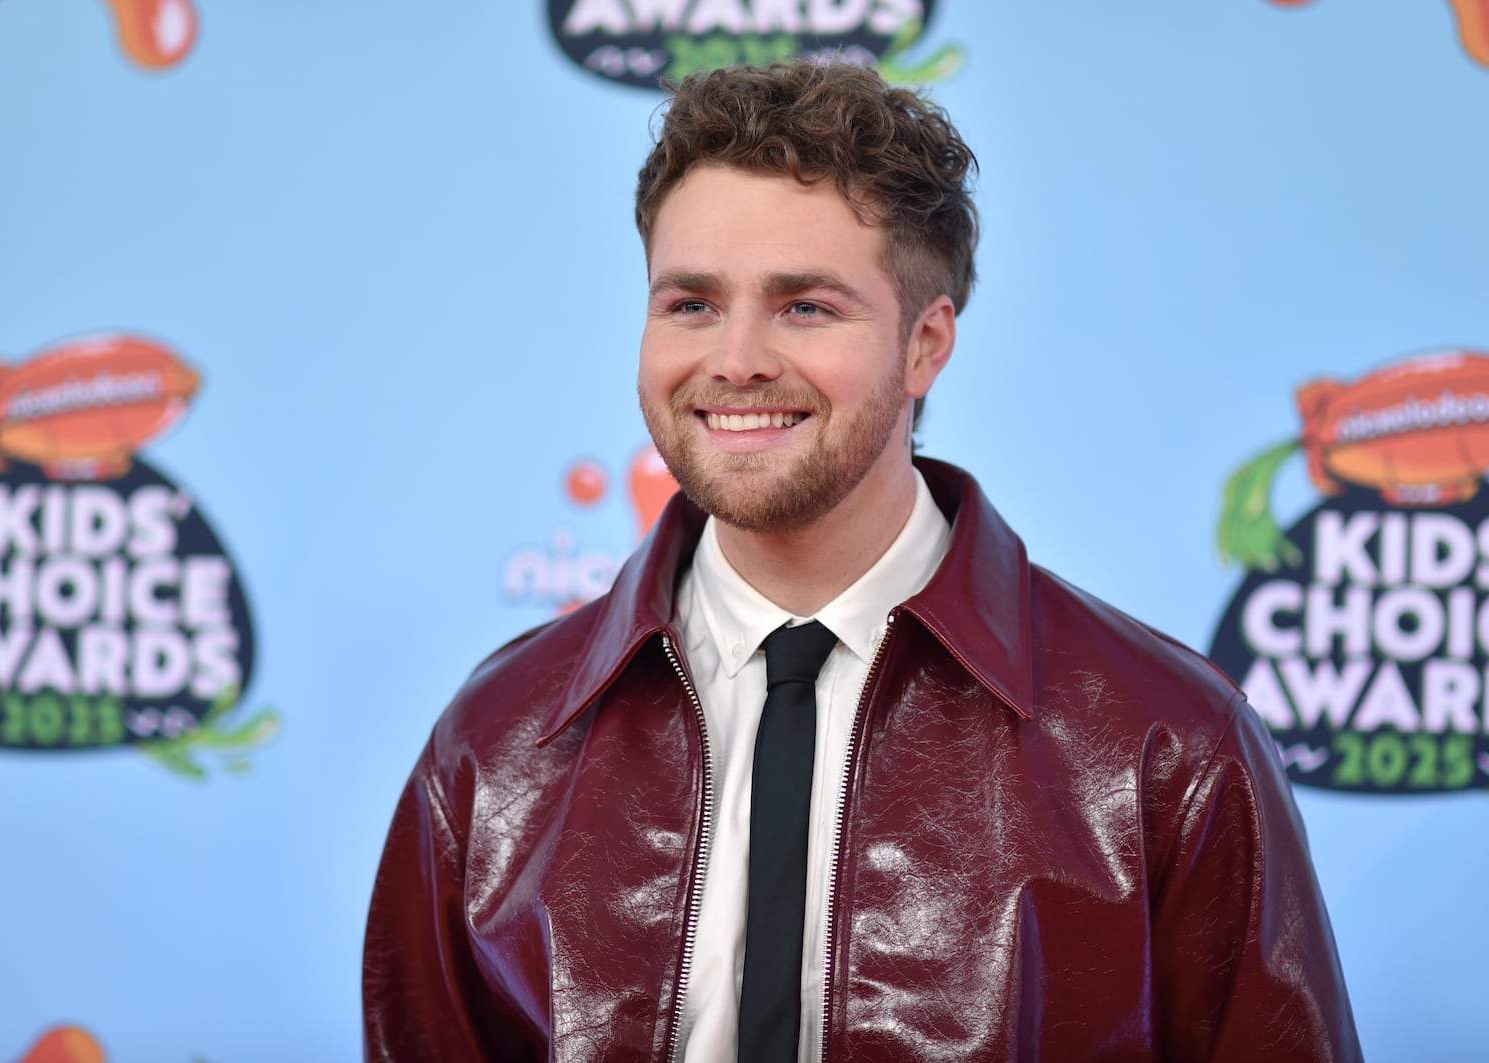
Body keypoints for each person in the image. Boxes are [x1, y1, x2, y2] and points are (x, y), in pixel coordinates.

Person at [363, 61, 1362, 1062]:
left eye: (804, 306)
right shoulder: (496, 747)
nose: (736, 360)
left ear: (926, 345)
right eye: (692, 304)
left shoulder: (1165, 745)